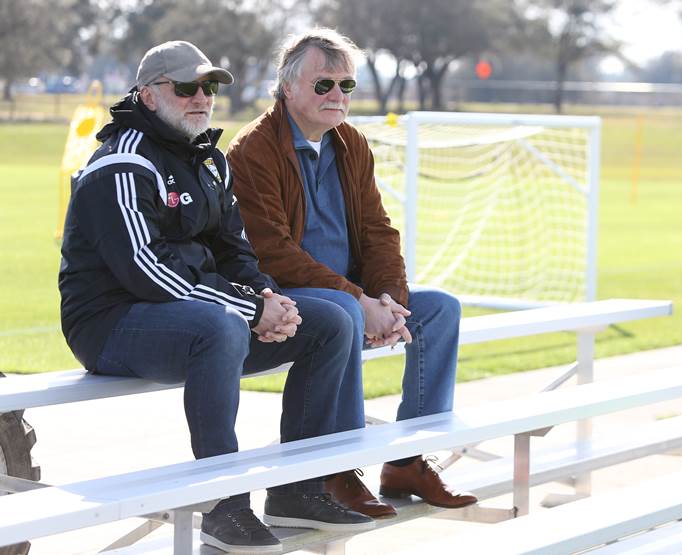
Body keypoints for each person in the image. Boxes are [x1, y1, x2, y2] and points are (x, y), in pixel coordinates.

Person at [58, 40, 376, 554]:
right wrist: (249, 309)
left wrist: (271, 299)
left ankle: (298, 489)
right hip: (110, 325)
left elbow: (236, 252)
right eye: (185, 88)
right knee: (221, 326)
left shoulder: (208, 161)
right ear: (148, 96)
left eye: (207, 87)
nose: (200, 97)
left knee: (330, 321)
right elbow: (149, 271)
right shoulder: (120, 164)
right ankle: (225, 504)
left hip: (194, 319)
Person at [226, 28, 477, 518]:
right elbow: (272, 252)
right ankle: (337, 469)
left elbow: (379, 231)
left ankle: (407, 462)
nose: (337, 95)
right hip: (290, 300)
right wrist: (360, 303)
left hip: (354, 297)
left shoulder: (351, 144)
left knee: (441, 309)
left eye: (347, 86)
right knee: (342, 310)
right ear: (288, 87)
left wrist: (390, 301)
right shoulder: (254, 149)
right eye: (324, 85)